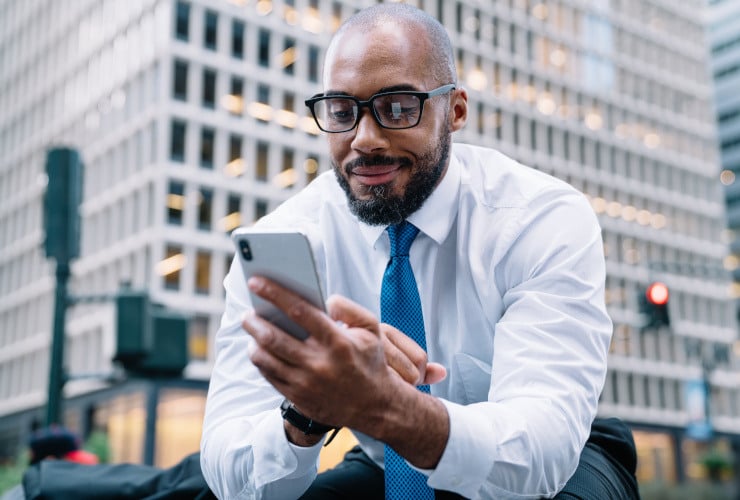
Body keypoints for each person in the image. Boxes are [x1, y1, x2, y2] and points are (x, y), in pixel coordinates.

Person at [201, 3, 637, 499]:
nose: (363, 140)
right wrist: (308, 408)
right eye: (342, 112)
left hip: (557, 463)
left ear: (455, 110)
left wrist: (385, 405)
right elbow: (230, 475)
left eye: (397, 108)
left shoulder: (540, 217)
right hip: (383, 456)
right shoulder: (285, 240)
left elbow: (542, 449)